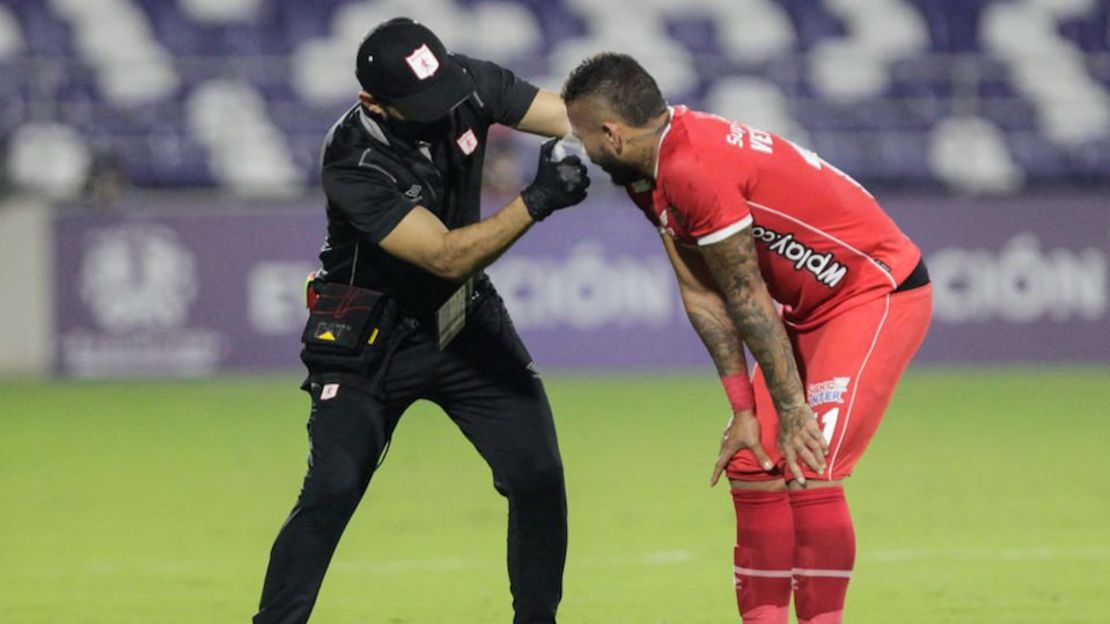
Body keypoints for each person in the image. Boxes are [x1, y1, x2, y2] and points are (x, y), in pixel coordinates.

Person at [562, 53, 932, 624]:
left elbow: (747, 294)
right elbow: (702, 295)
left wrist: (790, 407)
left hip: (873, 291)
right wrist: (743, 410)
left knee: (810, 459)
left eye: (583, 135)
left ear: (611, 133)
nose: (582, 149)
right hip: (808, 310)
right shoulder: (647, 171)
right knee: (754, 462)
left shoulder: (693, 166)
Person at [253, 18, 589, 624]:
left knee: (537, 471)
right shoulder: (353, 159)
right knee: (333, 488)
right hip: (367, 339)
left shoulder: (465, 82)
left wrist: (652, 131)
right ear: (371, 102)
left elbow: (574, 116)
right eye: (419, 105)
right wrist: (537, 199)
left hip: (462, 318)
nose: (441, 111)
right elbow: (443, 253)